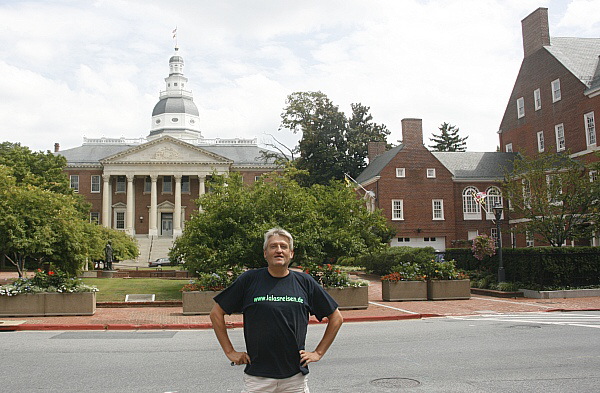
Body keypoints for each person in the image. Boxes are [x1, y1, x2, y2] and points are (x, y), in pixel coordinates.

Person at [210, 228, 343, 393]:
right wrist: (229, 351)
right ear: (265, 253)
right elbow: (216, 313)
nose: (279, 250)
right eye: (273, 246)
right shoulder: (250, 280)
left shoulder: (304, 282)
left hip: (295, 379)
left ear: (291, 253)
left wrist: (318, 353)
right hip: (258, 379)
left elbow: (336, 318)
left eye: (283, 246)